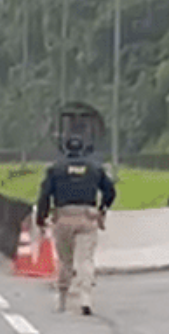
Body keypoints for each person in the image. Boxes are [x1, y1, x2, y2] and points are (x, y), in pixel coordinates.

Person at [35, 135, 116, 315]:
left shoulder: (55, 170)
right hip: (87, 216)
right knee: (85, 259)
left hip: (64, 217)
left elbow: (44, 196)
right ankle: (85, 298)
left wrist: (41, 218)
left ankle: (62, 299)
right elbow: (110, 191)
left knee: (65, 261)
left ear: (65, 149)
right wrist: (102, 208)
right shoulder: (95, 169)